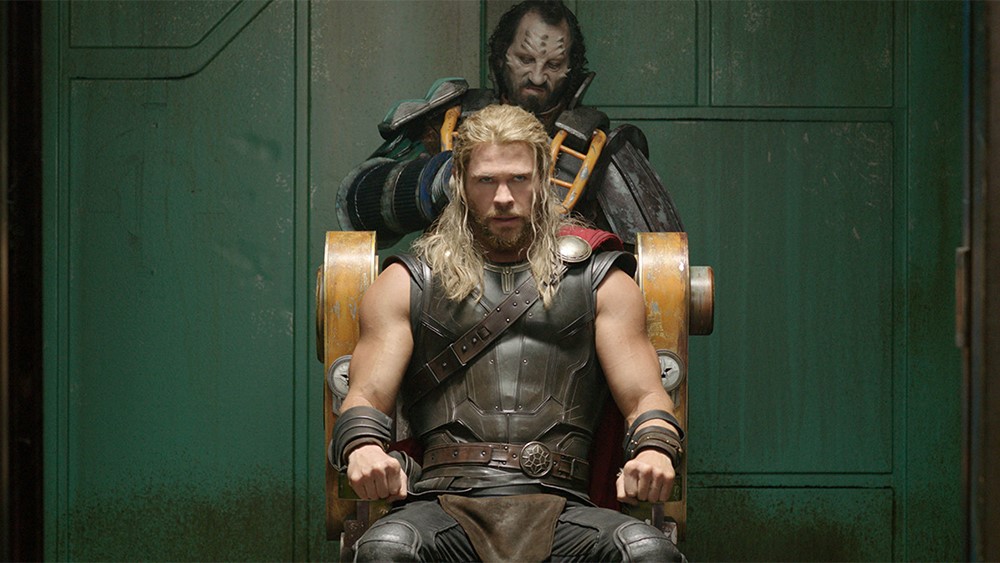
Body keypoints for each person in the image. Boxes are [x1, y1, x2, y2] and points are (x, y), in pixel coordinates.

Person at [330, 104, 686, 562]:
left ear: (543, 180)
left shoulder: (601, 280)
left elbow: (644, 396)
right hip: (442, 504)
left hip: (565, 507)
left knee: (645, 551)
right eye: (486, 181)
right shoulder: (409, 281)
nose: (503, 197)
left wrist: (654, 449)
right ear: (460, 182)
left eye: (519, 179)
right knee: (387, 547)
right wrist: (362, 448)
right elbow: (366, 393)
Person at [336, 0, 683, 251]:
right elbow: (357, 206)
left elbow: (662, 267)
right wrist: (436, 180)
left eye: (553, 64)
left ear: (573, 71)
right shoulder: (448, 125)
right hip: (450, 307)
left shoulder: (597, 148)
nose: (537, 76)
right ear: (501, 56)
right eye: (526, 59)